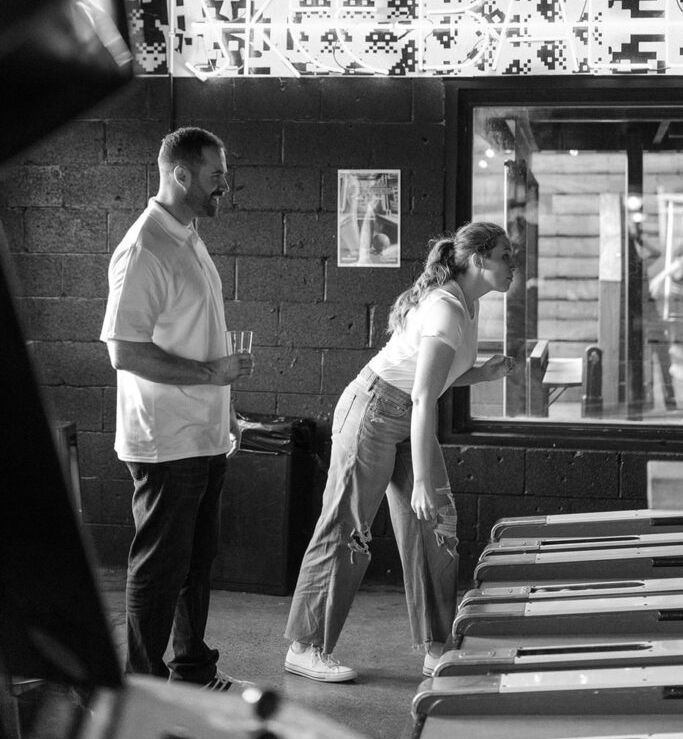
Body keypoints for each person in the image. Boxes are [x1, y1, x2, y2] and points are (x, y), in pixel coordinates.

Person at [284, 221, 516, 683]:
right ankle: (304, 646)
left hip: (404, 411)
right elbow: (423, 396)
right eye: (507, 256)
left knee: (436, 523)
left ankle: (436, 647)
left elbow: (434, 377)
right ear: (478, 260)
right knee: (347, 527)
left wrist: (484, 373)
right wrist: (423, 481)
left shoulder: (467, 303)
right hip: (373, 409)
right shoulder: (447, 307)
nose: (515, 265)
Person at [100, 126, 254, 691]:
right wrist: (213, 375)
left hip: (205, 433)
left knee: (194, 563)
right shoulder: (145, 247)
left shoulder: (188, 237)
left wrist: (224, 406)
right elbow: (124, 349)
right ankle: (140, 689)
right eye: (216, 176)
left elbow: (191, 335)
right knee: (161, 568)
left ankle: (191, 671)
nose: (224, 187)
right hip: (166, 439)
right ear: (181, 175)